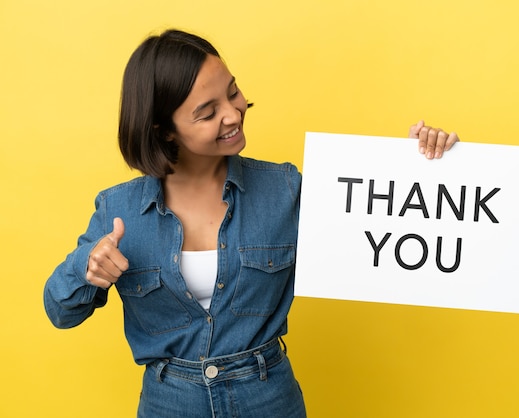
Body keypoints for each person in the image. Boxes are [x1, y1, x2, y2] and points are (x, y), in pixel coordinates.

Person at [43, 29, 459, 418]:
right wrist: (88, 268)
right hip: (169, 402)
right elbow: (60, 312)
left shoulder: (286, 189)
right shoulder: (120, 209)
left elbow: (379, 229)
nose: (233, 113)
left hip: (268, 397)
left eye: (233, 92)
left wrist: (422, 167)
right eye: (207, 113)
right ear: (165, 132)